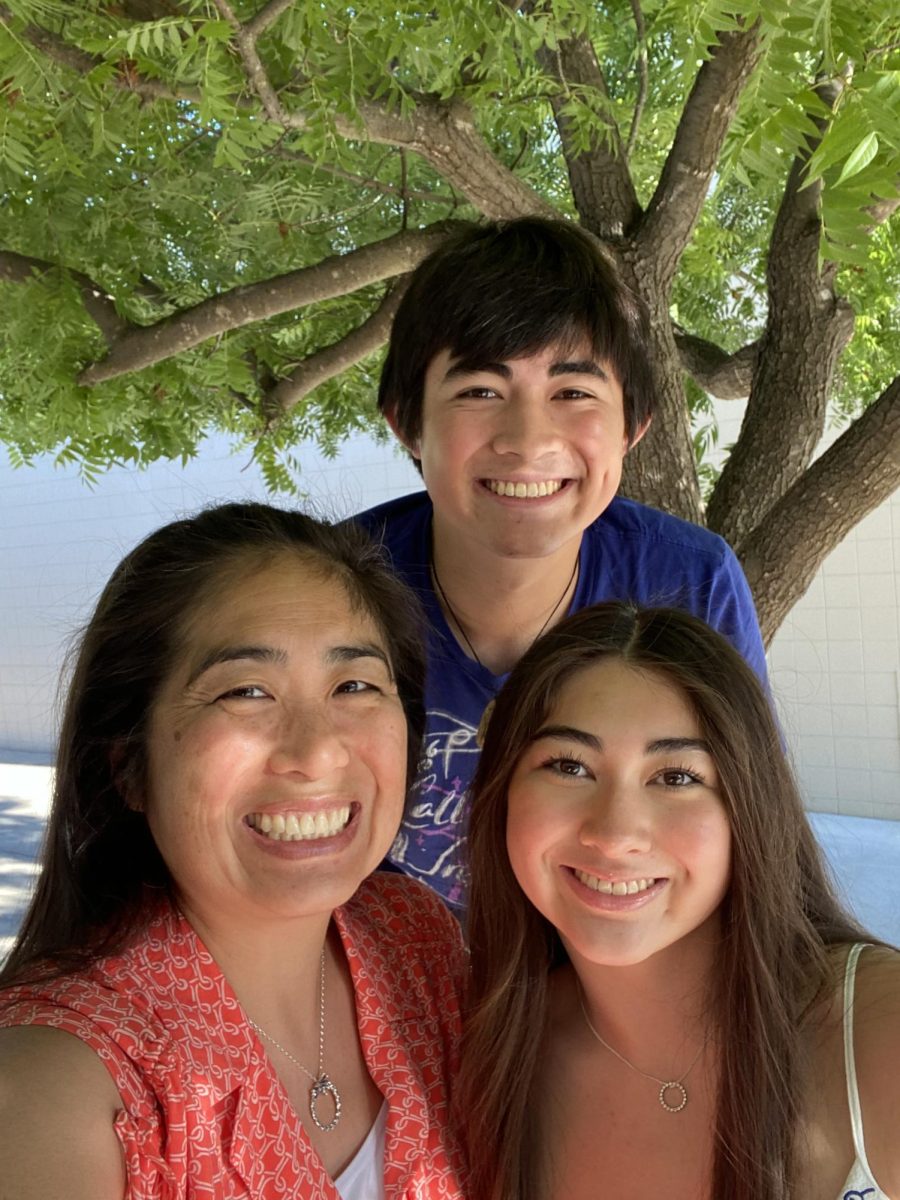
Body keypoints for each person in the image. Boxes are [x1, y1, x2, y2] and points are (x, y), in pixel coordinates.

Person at [0, 504, 466, 1200]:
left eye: (355, 686)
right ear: (129, 765)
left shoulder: (415, 939)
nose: (316, 752)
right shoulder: (53, 1084)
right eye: (246, 692)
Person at [352, 217, 767, 909]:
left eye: (573, 392)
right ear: (406, 423)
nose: (528, 440)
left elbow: (746, 825)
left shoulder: (690, 580)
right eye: (479, 391)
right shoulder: (338, 588)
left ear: (633, 427)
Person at [460, 602, 900, 1200]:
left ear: (748, 807)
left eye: (675, 777)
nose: (615, 834)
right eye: (568, 766)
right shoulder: (490, 1051)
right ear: (502, 792)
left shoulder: (874, 1028)